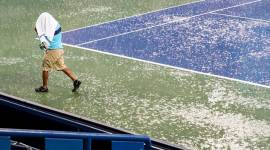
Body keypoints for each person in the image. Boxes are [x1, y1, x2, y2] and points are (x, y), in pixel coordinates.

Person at [34, 12, 81, 92]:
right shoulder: (55, 25)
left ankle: (44, 87)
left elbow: (45, 41)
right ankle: (76, 80)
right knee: (62, 66)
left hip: (53, 51)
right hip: (59, 49)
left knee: (45, 68)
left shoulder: (49, 31)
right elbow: (37, 29)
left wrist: (43, 44)